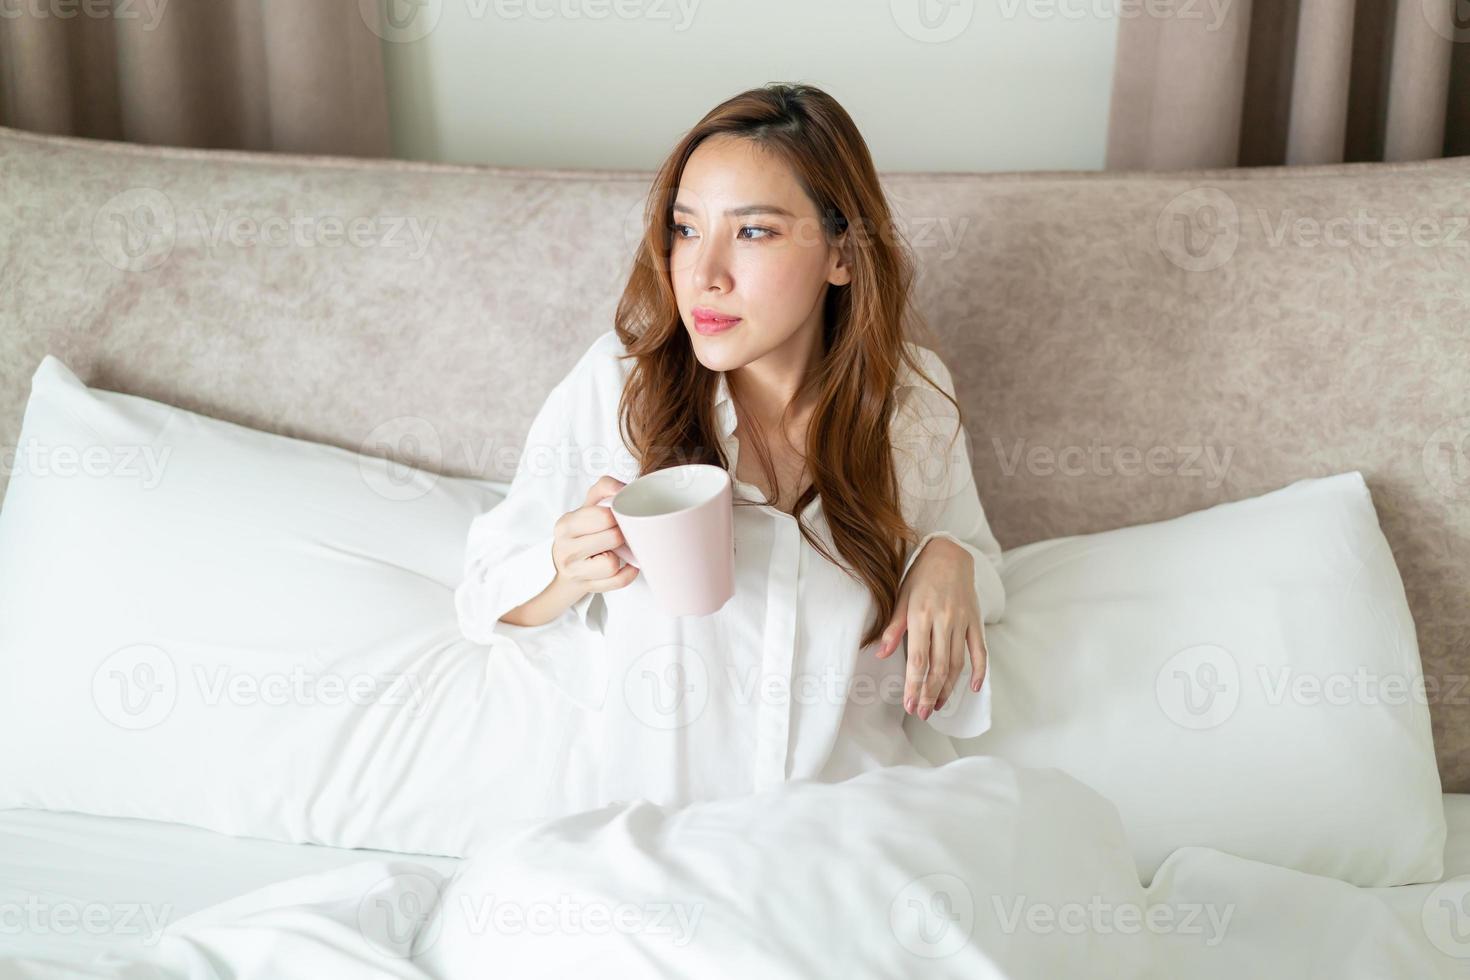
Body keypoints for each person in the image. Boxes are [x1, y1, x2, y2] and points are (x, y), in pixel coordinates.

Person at [455, 83, 1005, 813]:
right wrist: (566, 570)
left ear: (841, 253)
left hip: (848, 832)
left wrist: (949, 557)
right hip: (651, 844)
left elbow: (985, 580)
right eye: (686, 229)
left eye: (752, 233)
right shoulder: (618, 387)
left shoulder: (909, 402)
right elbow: (485, 593)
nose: (703, 273)